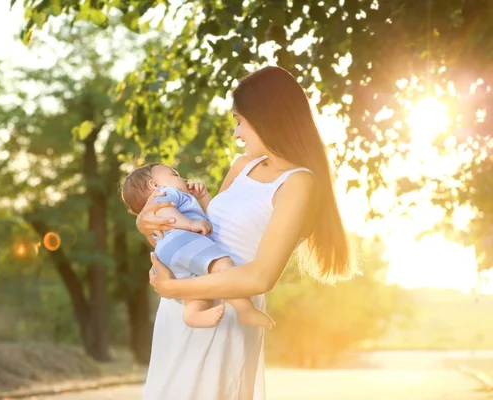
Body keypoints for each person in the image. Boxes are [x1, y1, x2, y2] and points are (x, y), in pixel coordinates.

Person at [136, 66, 354, 400]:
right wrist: (146, 222)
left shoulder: (297, 183)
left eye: (240, 120)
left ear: (266, 117)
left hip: (225, 317)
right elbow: (201, 232)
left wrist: (172, 287)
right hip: (183, 311)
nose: (237, 133)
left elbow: (259, 277)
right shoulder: (242, 166)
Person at [120, 163, 275, 329]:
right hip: (184, 242)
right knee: (222, 266)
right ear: (155, 185)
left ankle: (192, 314)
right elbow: (166, 214)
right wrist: (190, 224)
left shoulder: (182, 200)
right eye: (174, 174)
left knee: (197, 289)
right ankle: (246, 310)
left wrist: (201, 197)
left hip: (173, 254)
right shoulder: (166, 193)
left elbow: (210, 220)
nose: (182, 178)